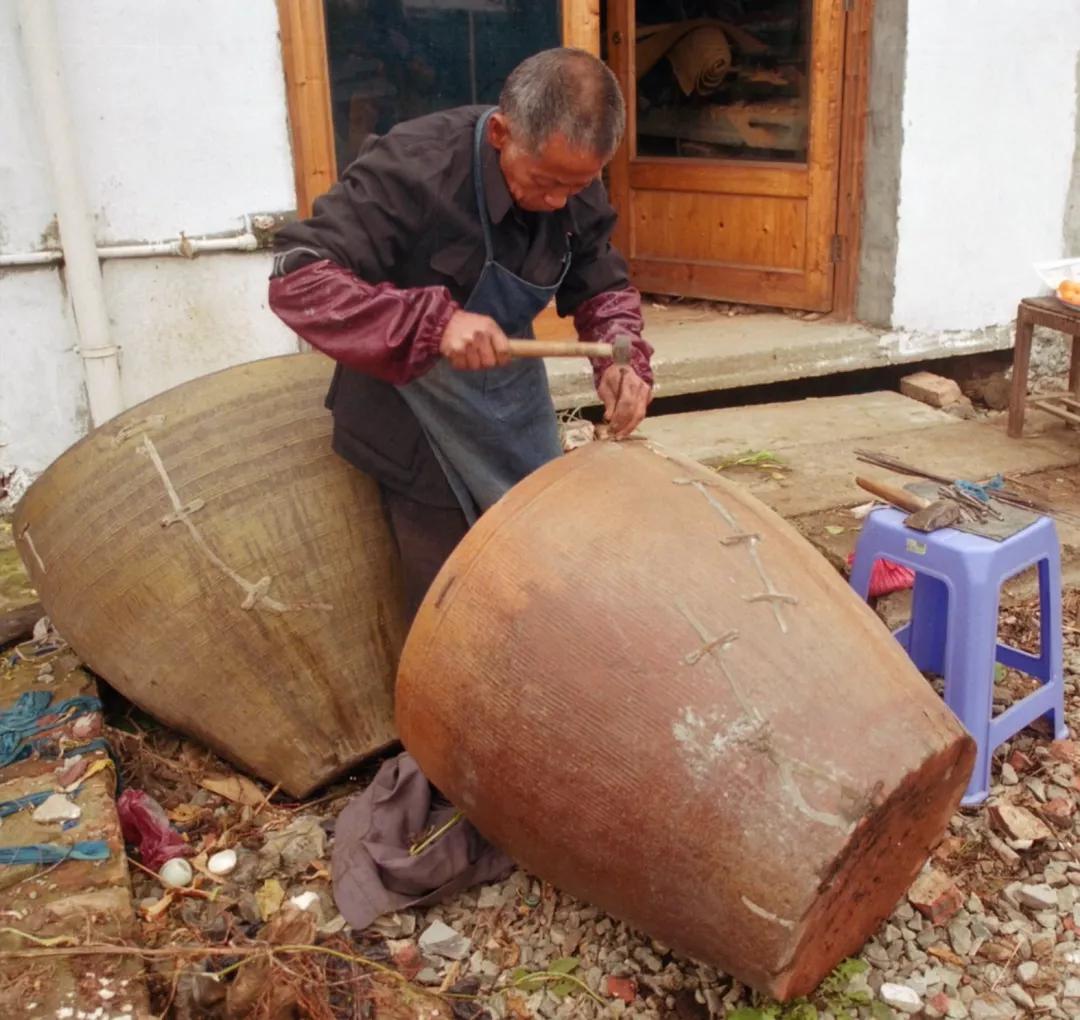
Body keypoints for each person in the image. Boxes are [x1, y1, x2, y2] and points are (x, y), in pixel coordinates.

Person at [269, 47, 654, 621]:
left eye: (576, 187)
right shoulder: (413, 169)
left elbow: (598, 274)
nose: (557, 202)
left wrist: (623, 357)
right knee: (452, 599)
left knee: (539, 561)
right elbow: (295, 277)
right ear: (501, 133)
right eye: (544, 182)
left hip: (509, 400)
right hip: (408, 409)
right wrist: (433, 323)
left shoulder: (573, 180)